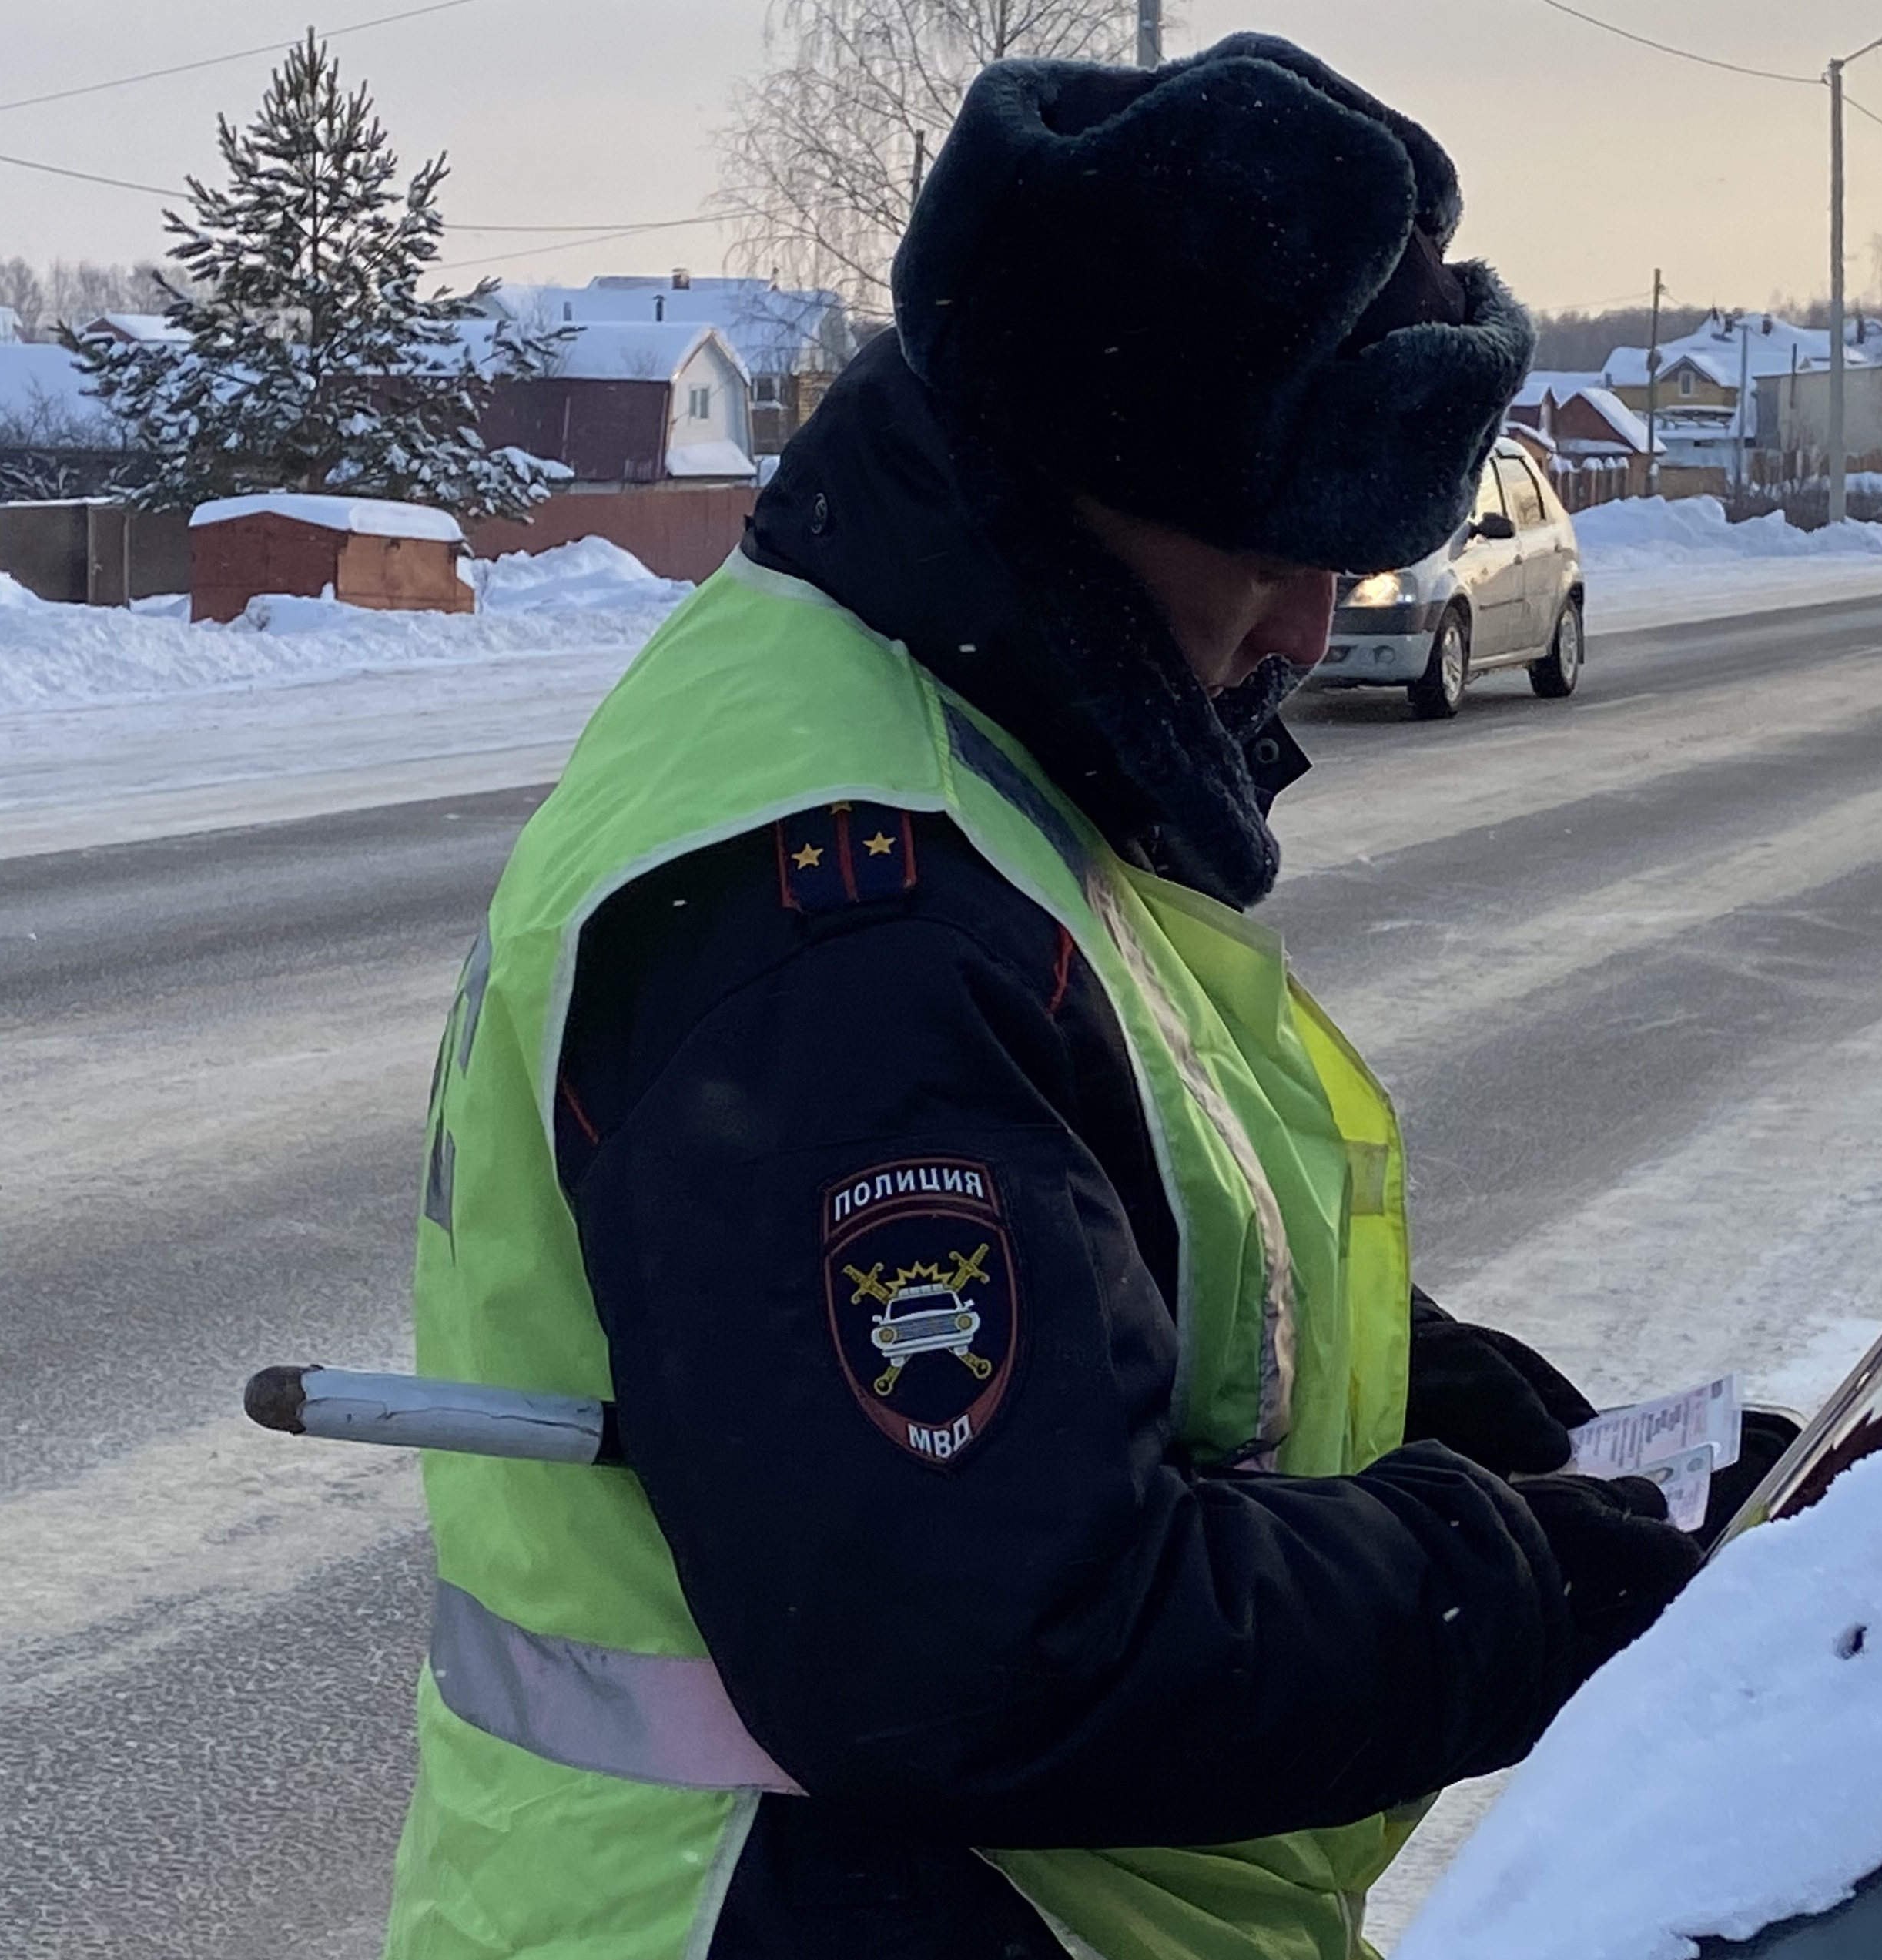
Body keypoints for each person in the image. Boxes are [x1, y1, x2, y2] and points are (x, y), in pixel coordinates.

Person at [383, 35, 1789, 1960]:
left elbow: (1127, 1229)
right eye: (1279, 547)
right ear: (1083, 484)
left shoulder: (957, 738)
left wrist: (1491, 1419)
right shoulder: (848, 919)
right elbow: (1008, 1646)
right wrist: (1535, 1583)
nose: (1312, 623)